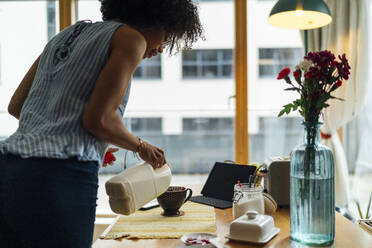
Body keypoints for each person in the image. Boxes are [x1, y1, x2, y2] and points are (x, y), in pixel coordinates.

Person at [0, 0, 204, 247]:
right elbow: (100, 120)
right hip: (58, 178)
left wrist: (85, 139)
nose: (161, 47)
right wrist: (141, 146)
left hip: (9, 169)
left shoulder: (65, 35)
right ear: (157, 18)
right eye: (167, 35)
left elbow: (18, 106)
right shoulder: (131, 39)